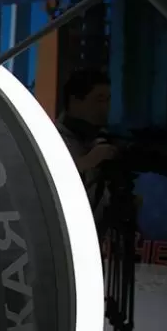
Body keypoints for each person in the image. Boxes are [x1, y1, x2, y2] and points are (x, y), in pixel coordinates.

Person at [56, 68, 119, 233]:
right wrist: (85, 163)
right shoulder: (52, 138)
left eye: (108, 100)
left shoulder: (99, 138)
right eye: (99, 100)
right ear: (75, 101)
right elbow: (45, 184)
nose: (105, 108)